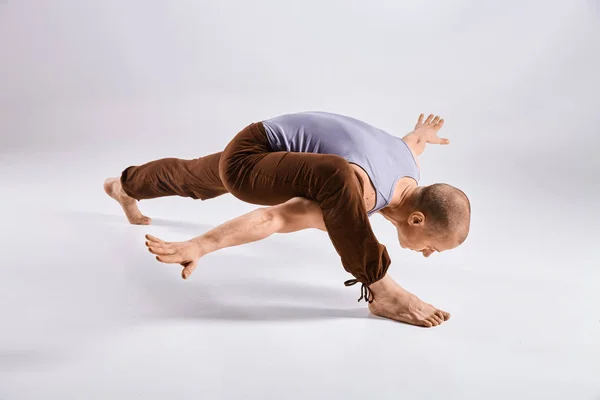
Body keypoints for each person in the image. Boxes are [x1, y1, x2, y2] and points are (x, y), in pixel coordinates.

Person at [104, 112, 471, 327]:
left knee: (192, 178)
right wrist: (202, 244)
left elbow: (413, 140)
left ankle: (123, 185)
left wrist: (422, 134)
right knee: (339, 181)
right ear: (418, 219)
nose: (426, 254)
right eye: (432, 248)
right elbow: (274, 218)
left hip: (264, 141)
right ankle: (384, 291)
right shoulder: (356, 193)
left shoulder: (409, 162)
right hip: (249, 160)